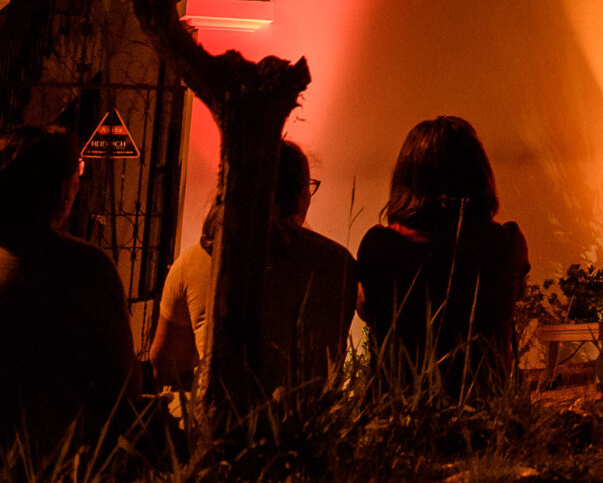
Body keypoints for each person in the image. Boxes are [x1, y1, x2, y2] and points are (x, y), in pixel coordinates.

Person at [150, 138, 357, 402]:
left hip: (221, 426)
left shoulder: (194, 261)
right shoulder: (338, 264)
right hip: (308, 429)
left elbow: (166, 367)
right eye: (308, 188)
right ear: (298, 197)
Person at [354, 116, 529, 396]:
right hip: (486, 415)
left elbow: (366, 310)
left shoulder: (381, 245)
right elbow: (516, 294)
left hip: (398, 419)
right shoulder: (505, 243)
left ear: (405, 177)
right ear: (479, 175)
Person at [0, 126, 135, 454]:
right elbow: (121, 392)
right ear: (63, 188)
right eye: (78, 171)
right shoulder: (86, 270)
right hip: (50, 459)